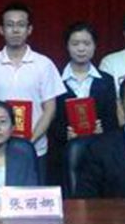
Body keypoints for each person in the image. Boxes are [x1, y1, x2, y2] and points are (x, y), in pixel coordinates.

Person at [0, 1, 65, 181]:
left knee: (32, 195)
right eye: (10, 25)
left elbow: (50, 109)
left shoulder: (44, 64)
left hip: (35, 149)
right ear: (1, 30)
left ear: (29, 29)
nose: (15, 30)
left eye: (21, 25)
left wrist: (30, 141)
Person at [48, 22, 118, 188]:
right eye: (75, 44)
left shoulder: (106, 80)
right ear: (67, 46)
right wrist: (64, 133)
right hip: (62, 152)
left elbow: (112, 118)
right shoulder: (54, 77)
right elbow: (49, 116)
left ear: (94, 46)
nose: (81, 49)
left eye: (86, 43)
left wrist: (102, 130)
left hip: (99, 150)